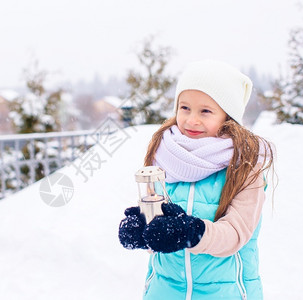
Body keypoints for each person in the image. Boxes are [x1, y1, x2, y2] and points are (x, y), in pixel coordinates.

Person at [118, 59, 275, 299]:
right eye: (185, 108)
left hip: (225, 293)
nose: (192, 120)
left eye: (205, 111)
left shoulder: (244, 167)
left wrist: (190, 232)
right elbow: (160, 233)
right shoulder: (165, 155)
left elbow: (235, 235)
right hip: (164, 292)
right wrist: (144, 231)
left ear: (228, 117)